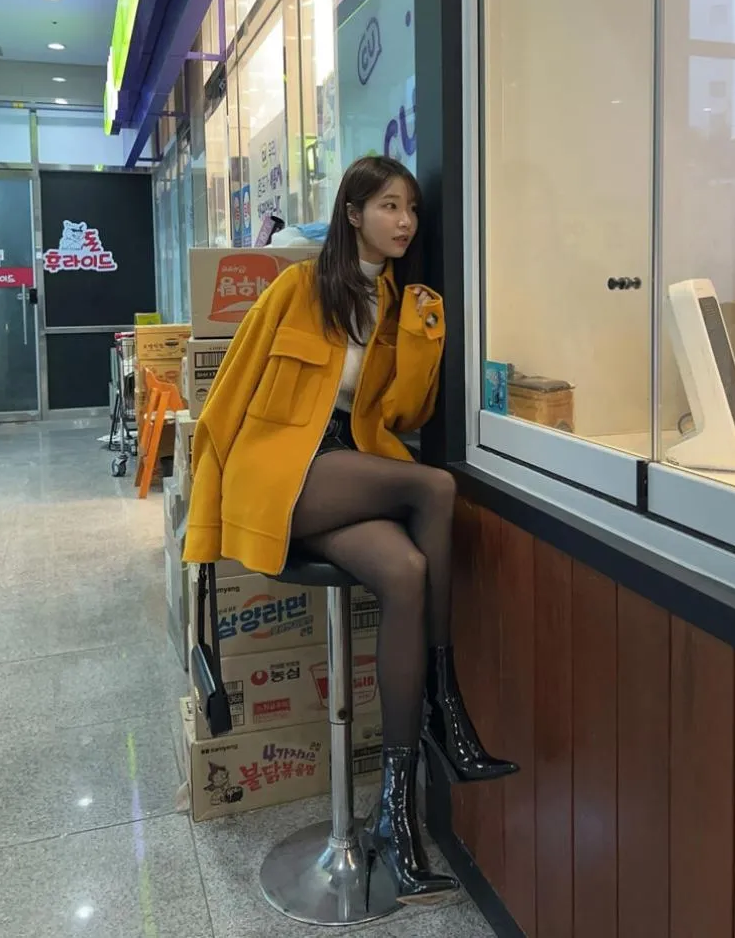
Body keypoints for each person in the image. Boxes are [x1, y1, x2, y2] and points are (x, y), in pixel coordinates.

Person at [185, 155, 518, 906]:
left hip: (346, 470)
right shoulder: (296, 287)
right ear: (353, 213)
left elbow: (403, 414)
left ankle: (395, 813)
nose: (405, 222)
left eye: (412, 210)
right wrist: (207, 522)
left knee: (405, 572)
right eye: (389, 206)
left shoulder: (399, 302)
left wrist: (425, 333)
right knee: (433, 486)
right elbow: (227, 397)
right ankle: (444, 703)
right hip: (282, 472)